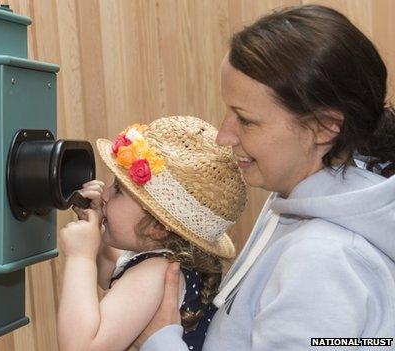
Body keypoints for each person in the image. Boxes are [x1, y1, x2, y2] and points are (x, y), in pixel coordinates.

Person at [139, 5, 395, 351]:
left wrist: (161, 342)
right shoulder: (298, 201)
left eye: (245, 120)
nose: (224, 136)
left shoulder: (322, 259)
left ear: (324, 127)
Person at [57, 116, 247, 351]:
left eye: (117, 190)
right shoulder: (162, 263)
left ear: (157, 227)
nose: (104, 195)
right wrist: (92, 224)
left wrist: (80, 257)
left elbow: (81, 347)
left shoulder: (155, 272)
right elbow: (111, 273)